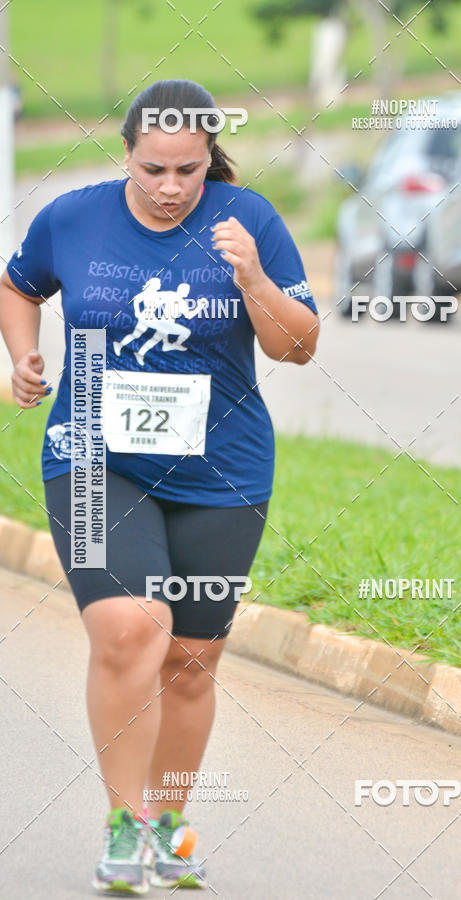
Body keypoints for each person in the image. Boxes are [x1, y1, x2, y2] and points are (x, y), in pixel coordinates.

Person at [0, 79, 319, 894]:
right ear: (128, 155)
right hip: (95, 458)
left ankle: (172, 823)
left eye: (188, 170)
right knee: (131, 630)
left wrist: (252, 279)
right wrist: (23, 356)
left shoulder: (251, 223)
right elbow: (18, 284)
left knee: (188, 660)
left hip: (222, 471)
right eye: (153, 170)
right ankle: (125, 821)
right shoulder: (73, 217)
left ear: (210, 156)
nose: (171, 187)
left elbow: (298, 347)